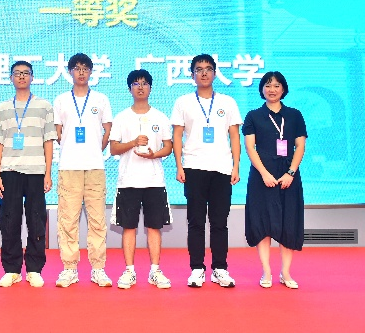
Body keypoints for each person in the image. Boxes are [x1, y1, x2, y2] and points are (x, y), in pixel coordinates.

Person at [171, 54, 242, 288]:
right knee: (196, 221)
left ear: (215, 73)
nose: (204, 73)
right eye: (199, 69)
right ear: (192, 74)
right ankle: (197, 268)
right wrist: (179, 166)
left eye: (208, 69)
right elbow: (177, 136)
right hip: (194, 167)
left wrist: (235, 166)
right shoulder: (183, 102)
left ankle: (220, 268)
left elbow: (234, 136)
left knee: (219, 222)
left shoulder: (227, 102)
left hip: (222, 168)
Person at [0, 61, 58, 288]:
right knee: (9, 221)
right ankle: (12, 270)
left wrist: (48, 172)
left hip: (36, 171)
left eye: (26, 73)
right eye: (17, 73)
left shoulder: (44, 106)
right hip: (9, 171)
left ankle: (34, 269)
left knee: (36, 220)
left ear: (32, 77)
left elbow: (48, 141)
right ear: (11, 78)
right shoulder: (2, 108)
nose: (21, 77)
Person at [109, 69, 173, 289]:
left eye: (145, 83)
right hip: (128, 181)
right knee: (129, 227)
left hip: (154, 181)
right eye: (136, 84)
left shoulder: (160, 117)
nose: (141, 87)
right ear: (130, 89)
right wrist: (133, 143)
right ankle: (129, 271)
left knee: (154, 227)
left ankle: (155, 271)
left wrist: (154, 155)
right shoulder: (121, 117)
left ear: (151, 88)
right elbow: (113, 148)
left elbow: (168, 147)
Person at [53, 53, 113, 287]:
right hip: (69, 167)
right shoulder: (61, 100)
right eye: (76, 68)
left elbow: (107, 129)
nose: (81, 72)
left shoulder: (101, 99)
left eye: (85, 68)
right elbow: (58, 132)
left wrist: (96, 148)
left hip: (95, 166)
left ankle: (98, 268)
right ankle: (69, 269)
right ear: (69, 72)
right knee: (68, 220)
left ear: (91, 72)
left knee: (97, 220)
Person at [243, 71, 307, 289]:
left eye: (277, 85)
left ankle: (285, 273)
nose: (272, 89)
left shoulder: (295, 115)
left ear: (284, 89)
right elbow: (250, 147)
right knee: (263, 223)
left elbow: (300, 146)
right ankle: (267, 271)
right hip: (262, 175)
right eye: (268, 85)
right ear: (262, 89)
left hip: (288, 175)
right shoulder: (253, 116)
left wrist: (291, 173)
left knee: (289, 222)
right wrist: (264, 173)